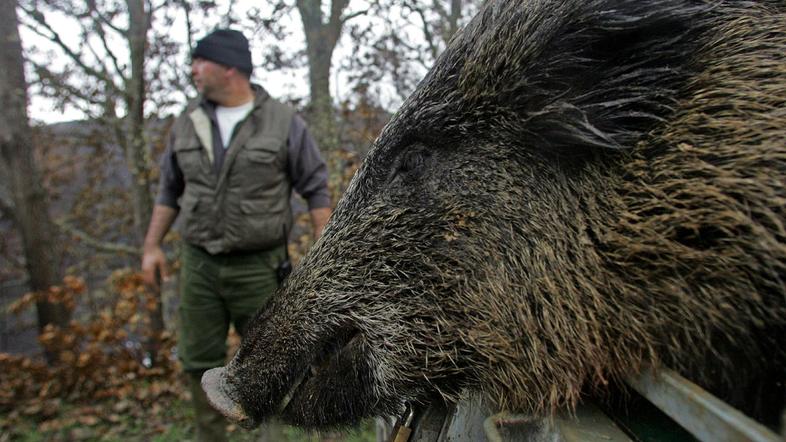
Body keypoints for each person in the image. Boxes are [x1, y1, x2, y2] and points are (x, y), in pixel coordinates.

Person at [141, 29, 332, 442]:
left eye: (199, 61)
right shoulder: (186, 123)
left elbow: (315, 185)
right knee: (196, 360)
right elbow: (169, 191)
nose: (192, 70)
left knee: (270, 361)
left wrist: (324, 250)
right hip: (199, 265)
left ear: (229, 67)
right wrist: (152, 246)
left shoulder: (283, 122)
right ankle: (211, 436)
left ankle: (272, 436)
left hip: (259, 266)